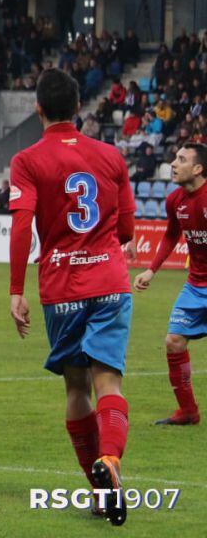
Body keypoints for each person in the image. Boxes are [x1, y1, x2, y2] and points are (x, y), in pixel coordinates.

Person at [7, 68, 135, 527]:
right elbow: (125, 229)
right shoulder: (110, 156)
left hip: (61, 287)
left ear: (38, 109)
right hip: (109, 282)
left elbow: (22, 225)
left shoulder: (27, 160)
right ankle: (113, 463)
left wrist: (16, 290)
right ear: (79, 108)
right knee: (109, 384)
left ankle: (99, 490)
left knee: (76, 387)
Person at [133, 143, 207, 426]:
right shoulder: (175, 200)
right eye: (174, 158)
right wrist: (151, 270)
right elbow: (170, 236)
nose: (173, 164)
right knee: (174, 342)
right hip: (195, 285)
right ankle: (188, 411)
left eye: (181, 159)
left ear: (198, 168)